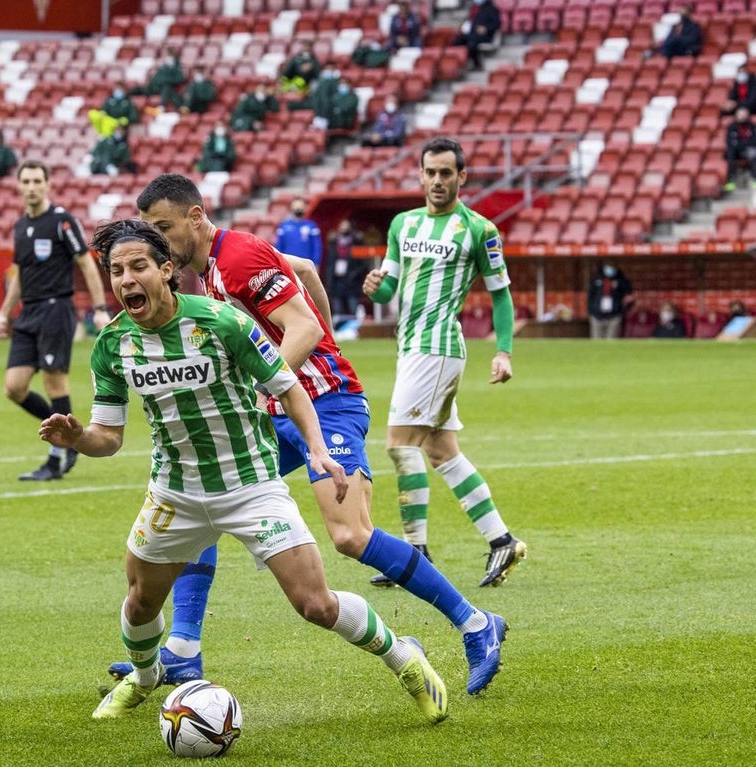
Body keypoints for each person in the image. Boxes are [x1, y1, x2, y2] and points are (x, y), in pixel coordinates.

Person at [108, 173, 509, 697]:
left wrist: (275, 378)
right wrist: (315, 338)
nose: (157, 241)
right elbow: (303, 269)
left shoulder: (237, 258)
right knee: (204, 490)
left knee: (350, 535)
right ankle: (183, 650)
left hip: (327, 401)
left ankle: (476, 623)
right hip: (282, 410)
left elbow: (304, 328)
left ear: (196, 218)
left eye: (163, 229)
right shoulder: (214, 267)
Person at [47, 218, 449, 724]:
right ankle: (146, 678)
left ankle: (404, 657)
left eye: (138, 266)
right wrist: (78, 438)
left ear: (166, 269)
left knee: (316, 605)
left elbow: (288, 387)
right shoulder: (113, 344)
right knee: (140, 603)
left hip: (250, 485)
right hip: (174, 493)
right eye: (116, 271)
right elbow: (108, 436)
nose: (126, 280)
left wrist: (317, 449)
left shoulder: (222, 323)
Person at [362, 137, 526, 590]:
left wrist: (503, 350)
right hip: (411, 346)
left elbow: (501, 295)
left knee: (399, 444)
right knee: (440, 451)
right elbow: (389, 288)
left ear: (461, 177)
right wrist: (375, 287)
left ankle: (414, 554)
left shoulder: (479, 230)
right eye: (430, 172)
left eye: (446, 173)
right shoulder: (404, 224)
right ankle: (502, 540)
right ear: (420, 175)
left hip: (437, 349)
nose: (437, 180)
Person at [0, 160, 111, 481]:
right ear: (19, 186)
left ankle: (58, 455)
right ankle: (70, 435)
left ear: (47, 185)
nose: (31, 187)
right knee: (14, 387)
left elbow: (86, 263)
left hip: (56, 309)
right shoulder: (20, 226)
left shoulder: (62, 221)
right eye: (26, 181)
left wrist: (100, 307)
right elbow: (19, 275)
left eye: (37, 181)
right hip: (28, 313)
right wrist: (4, 314)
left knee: (54, 383)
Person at [326, 218, 366, 319]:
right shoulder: (334, 243)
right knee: (337, 311)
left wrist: (354, 274)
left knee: (353, 309)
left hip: (352, 281)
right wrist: (329, 280)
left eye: (346, 226)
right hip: (337, 281)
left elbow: (363, 264)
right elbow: (329, 263)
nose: (344, 228)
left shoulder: (356, 242)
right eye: (342, 226)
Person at [587, 259, 634, 338]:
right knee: (596, 340)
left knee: (611, 340)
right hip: (597, 316)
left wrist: (621, 312)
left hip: (614, 316)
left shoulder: (621, 280)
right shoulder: (596, 279)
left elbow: (629, 297)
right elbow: (590, 297)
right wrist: (591, 312)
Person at [453, 0, 502, 71]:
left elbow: (497, 24)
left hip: (485, 36)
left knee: (472, 43)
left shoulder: (491, 9)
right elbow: (469, 21)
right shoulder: (475, 8)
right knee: (457, 40)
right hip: (472, 33)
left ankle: (477, 64)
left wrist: (486, 29)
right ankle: (458, 64)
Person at [274, 197, 323, 268]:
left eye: (300, 206)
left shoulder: (311, 226)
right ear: (291, 208)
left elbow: (317, 247)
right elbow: (279, 246)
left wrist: (316, 263)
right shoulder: (283, 226)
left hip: (306, 265)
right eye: (296, 206)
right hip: (288, 265)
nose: (298, 208)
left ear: (305, 208)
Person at [139, 46, 185, 112]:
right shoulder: (163, 66)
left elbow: (180, 78)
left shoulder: (177, 67)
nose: (165, 58)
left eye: (167, 56)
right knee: (139, 88)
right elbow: (155, 77)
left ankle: (161, 107)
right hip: (156, 86)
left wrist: (165, 80)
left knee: (167, 87)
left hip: (166, 88)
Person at [723, 107, 756, 192]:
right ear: (736, 115)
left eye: (744, 114)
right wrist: (744, 143)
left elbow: (754, 141)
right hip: (736, 151)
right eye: (740, 114)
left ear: (747, 115)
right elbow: (730, 141)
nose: (742, 116)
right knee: (730, 154)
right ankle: (731, 181)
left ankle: (754, 179)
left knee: (754, 153)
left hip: (747, 150)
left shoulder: (752, 126)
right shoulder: (732, 126)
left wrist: (739, 143)